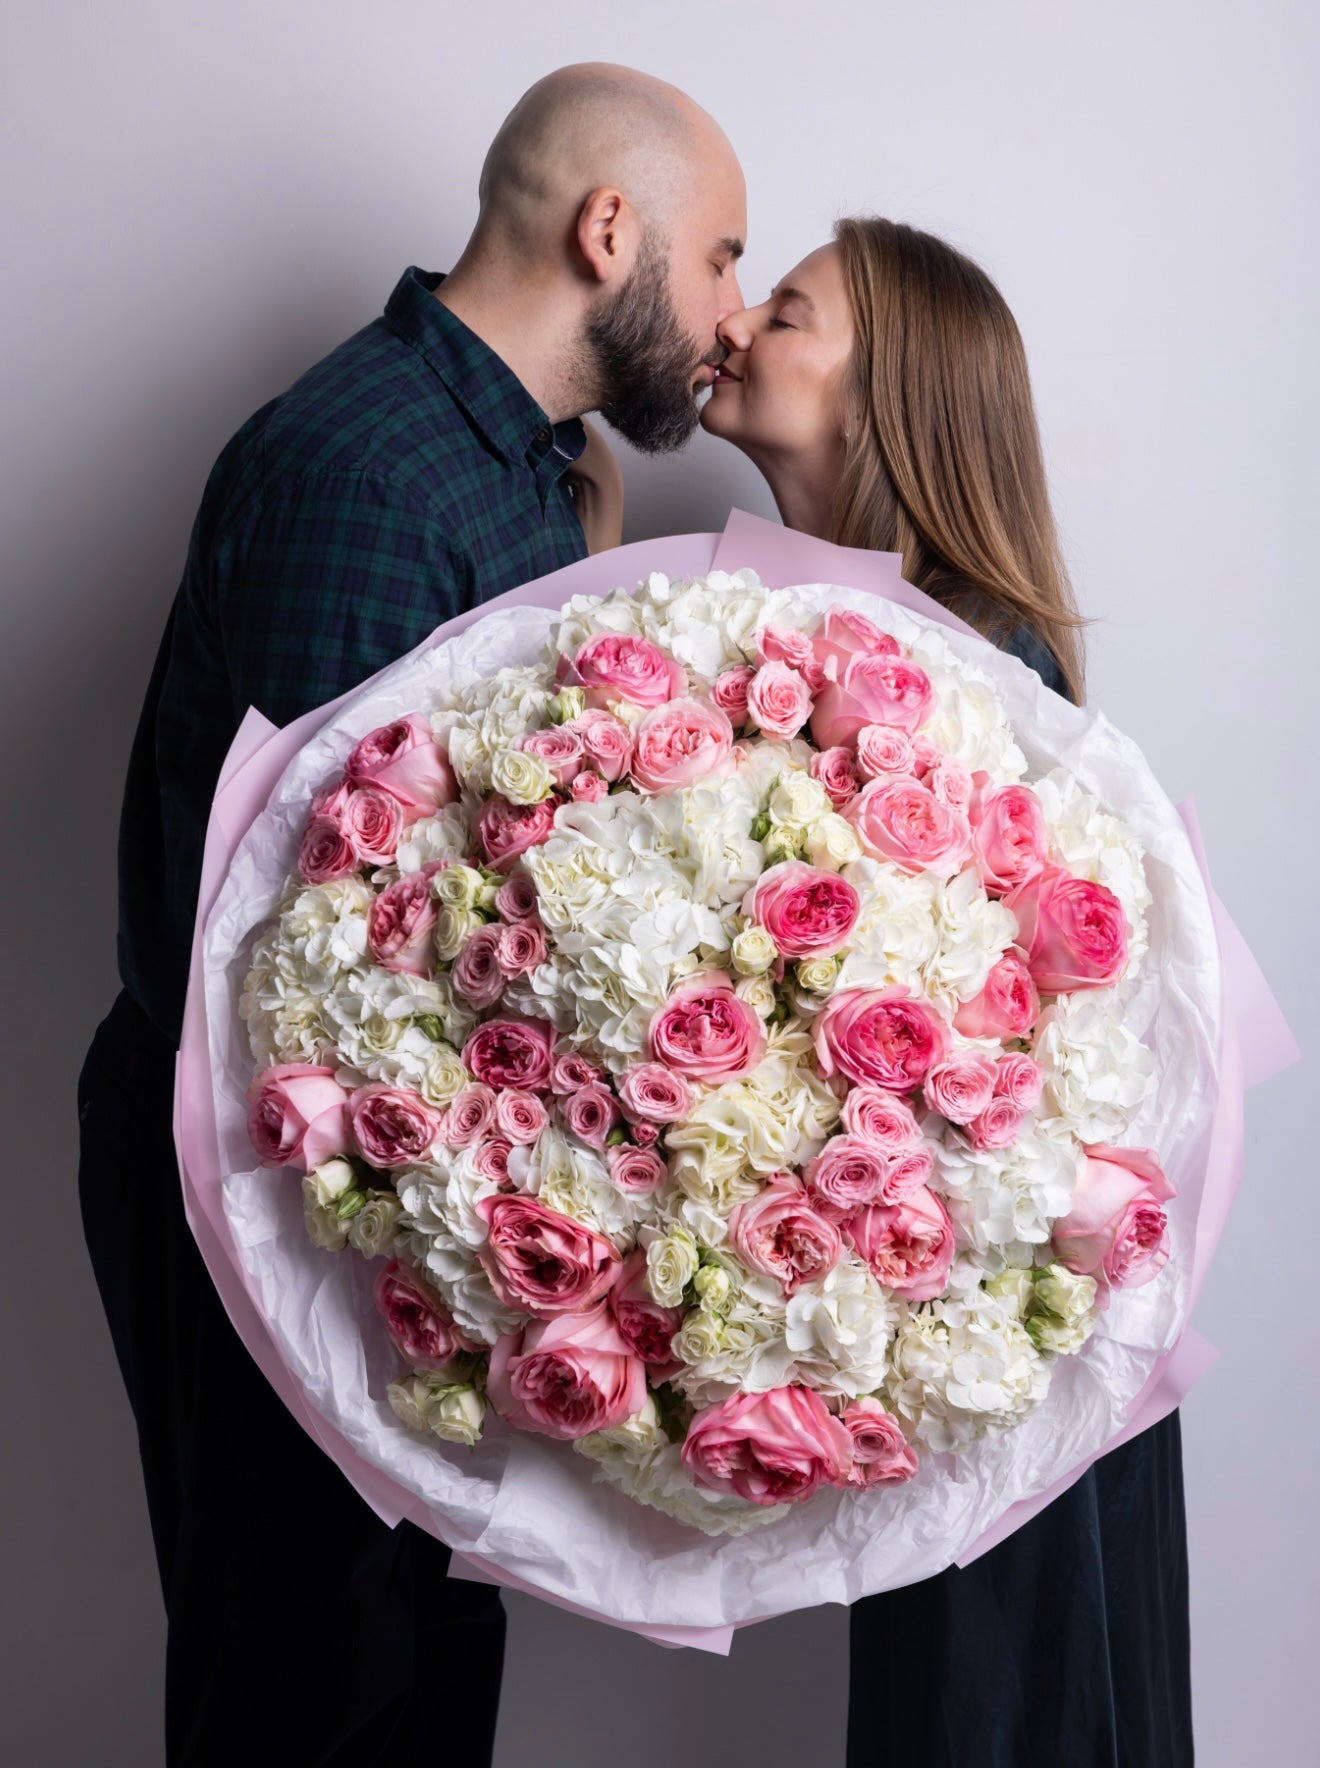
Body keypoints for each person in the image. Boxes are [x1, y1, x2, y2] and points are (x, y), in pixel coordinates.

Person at [78, 61, 744, 1767]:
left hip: (381, 1197)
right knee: (309, 1692)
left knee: (421, 1684)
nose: (732, 315)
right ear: (614, 233)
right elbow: (321, 950)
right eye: (724, 257)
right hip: (262, 1181)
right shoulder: (368, 474)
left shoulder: (515, 467)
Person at [700, 215, 1191, 1767]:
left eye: (789, 310)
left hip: (1019, 1313)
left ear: (881, 395)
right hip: (945, 1305)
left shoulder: (984, 683)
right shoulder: (845, 643)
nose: (739, 325)